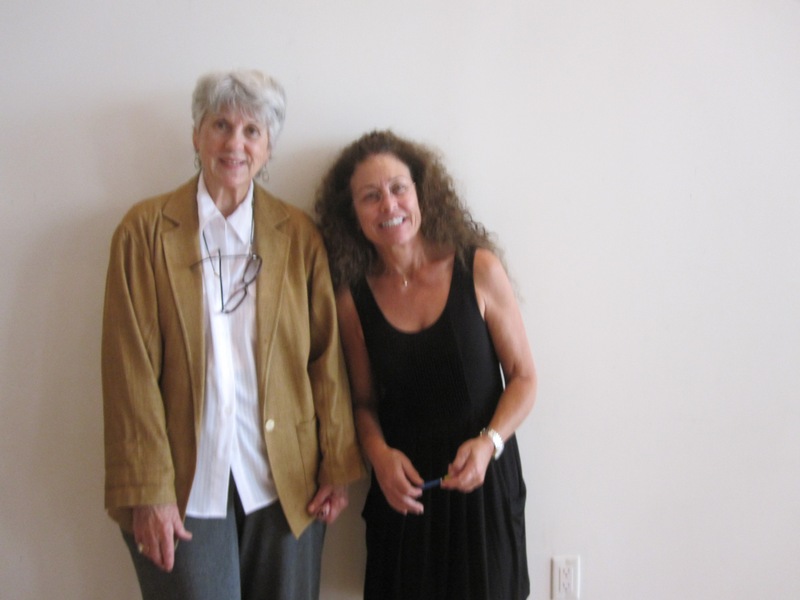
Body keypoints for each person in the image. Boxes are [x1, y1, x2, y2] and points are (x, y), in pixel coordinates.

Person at [101, 69, 364, 600]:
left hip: (288, 482)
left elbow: (325, 359)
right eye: (220, 125)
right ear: (196, 135)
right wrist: (148, 490)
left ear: (268, 148)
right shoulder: (143, 232)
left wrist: (337, 465)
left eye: (252, 131)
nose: (234, 144)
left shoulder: (298, 237)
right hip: (182, 485)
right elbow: (129, 374)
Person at [314, 130, 537, 600]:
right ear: (352, 214)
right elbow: (363, 403)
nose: (388, 205)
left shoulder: (477, 269)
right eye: (370, 196)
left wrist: (489, 444)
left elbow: (524, 378)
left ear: (421, 193)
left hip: (484, 494)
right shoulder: (352, 300)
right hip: (405, 501)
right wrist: (379, 456)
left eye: (398, 188)